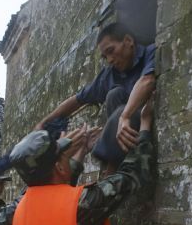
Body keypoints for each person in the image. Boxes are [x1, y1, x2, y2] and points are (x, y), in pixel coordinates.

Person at [10, 100, 155, 225]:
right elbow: (133, 175)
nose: (67, 158)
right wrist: (145, 125)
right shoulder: (82, 205)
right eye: (63, 156)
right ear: (60, 167)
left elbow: (59, 200)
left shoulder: (20, 205)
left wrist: (80, 153)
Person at [36, 22, 156, 171]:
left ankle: (111, 167)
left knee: (120, 105)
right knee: (114, 94)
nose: (110, 59)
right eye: (105, 56)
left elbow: (147, 81)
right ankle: (112, 165)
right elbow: (78, 100)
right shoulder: (110, 75)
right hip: (124, 141)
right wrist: (45, 122)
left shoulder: (151, 52)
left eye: (111, 51)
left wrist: (124, 116)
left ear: (128, 41)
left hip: (146, 124)